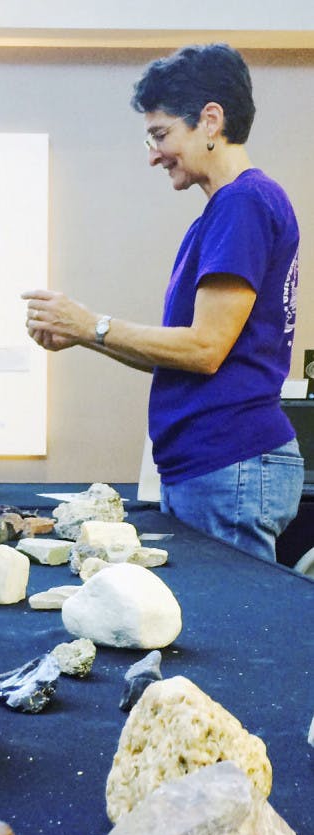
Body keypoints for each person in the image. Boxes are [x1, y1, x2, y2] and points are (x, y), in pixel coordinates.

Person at [23, 42, 303, 562]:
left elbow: (204, 349)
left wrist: (92, 323)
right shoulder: (224, 212)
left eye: (161, 134)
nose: (153, 153)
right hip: (216, 465)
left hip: (230, 462)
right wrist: (84, 333)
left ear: (211, 120)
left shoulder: (243, 202)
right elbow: (183, 356)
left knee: (228, 638)